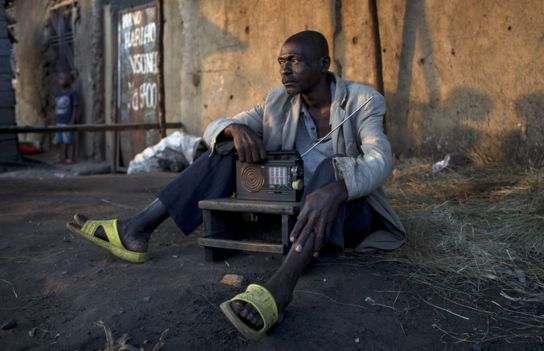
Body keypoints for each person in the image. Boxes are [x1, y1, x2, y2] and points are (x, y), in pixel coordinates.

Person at [66, 30, 405, 339]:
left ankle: (280, 288)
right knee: (228, 148)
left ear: (323, 64)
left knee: (334, 167)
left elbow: (380, 158)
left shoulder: (362, 101)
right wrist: (233, 129)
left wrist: (339, 187)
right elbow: (215, 126)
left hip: (347, 215)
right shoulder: (277, 101)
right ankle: (137, 229)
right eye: (281, 62)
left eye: (294, 61)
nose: (284, 70)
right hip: (290, 210)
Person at [54, 72, 79, 164]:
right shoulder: (58, 94)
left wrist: (73, 119)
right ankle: (62, 156)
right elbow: (56, 108)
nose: (61, 80)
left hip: (67, 121)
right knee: (59, 140)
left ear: (70, 81)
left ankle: (71, 157)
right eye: (60, 78)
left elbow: (75, 106)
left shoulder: (72, 93)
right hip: (59, 121)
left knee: (69, 140)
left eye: (63, 78)